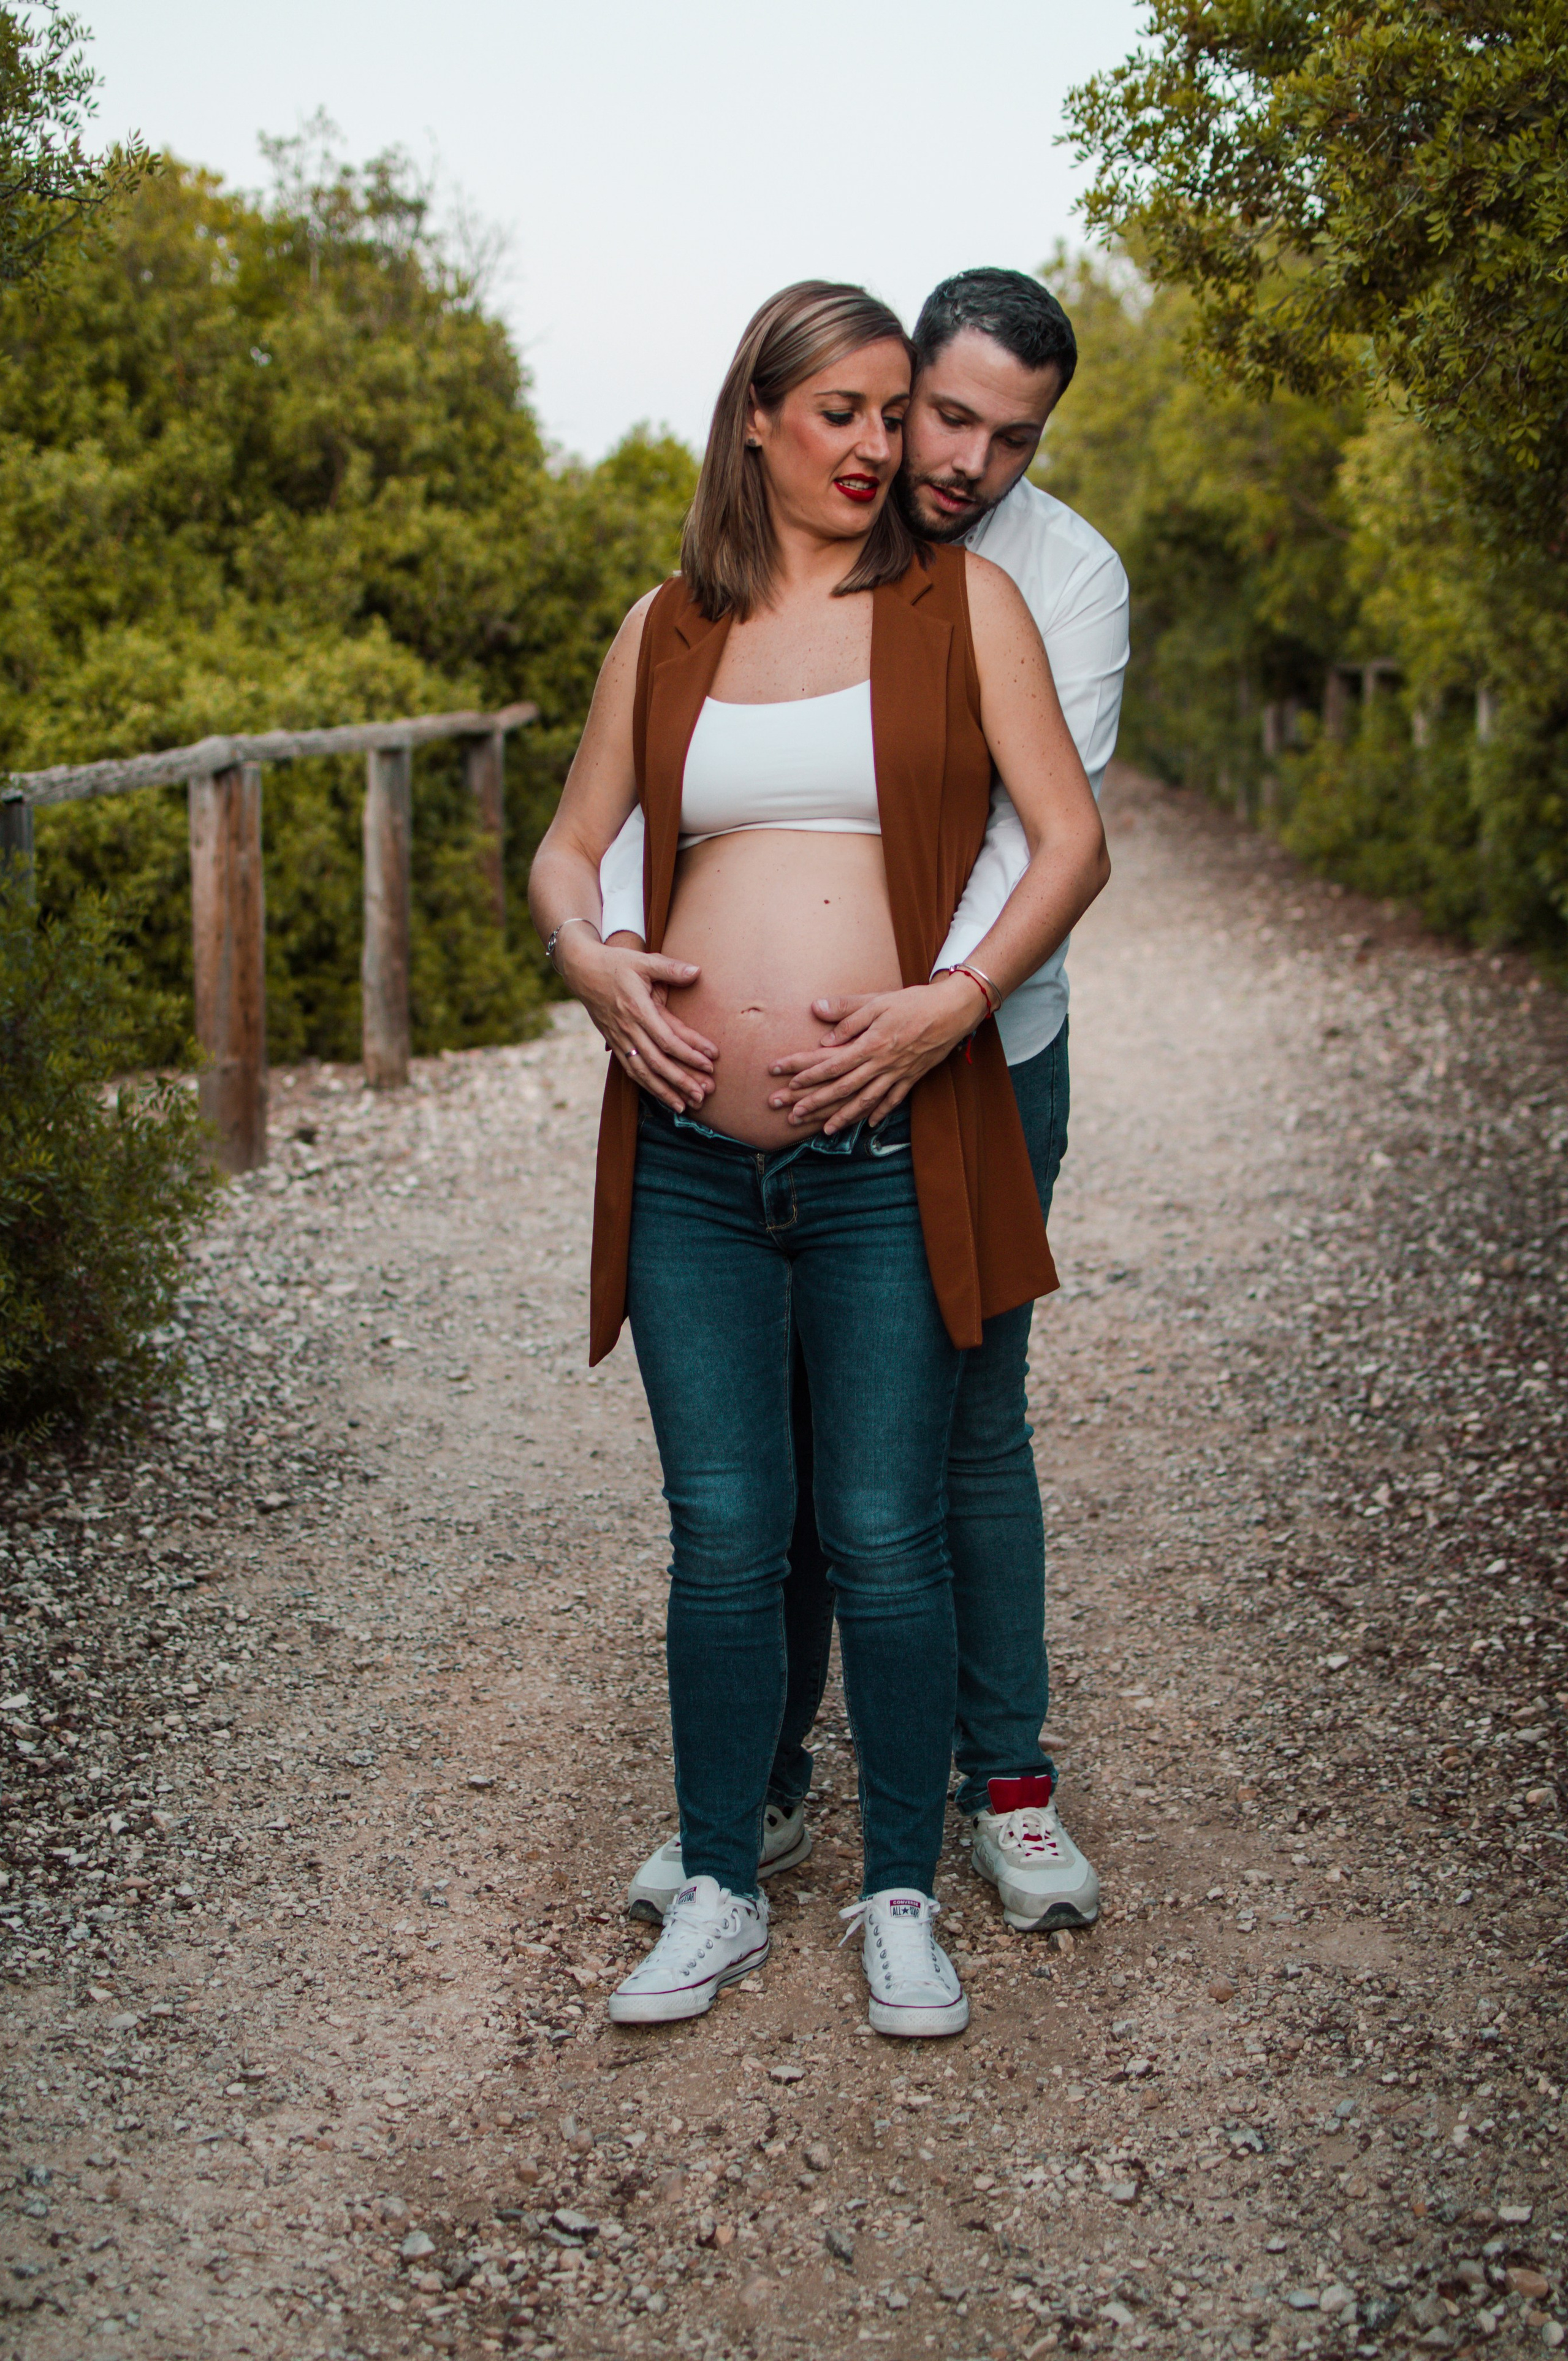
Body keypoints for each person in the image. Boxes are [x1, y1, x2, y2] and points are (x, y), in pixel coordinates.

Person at [528, 280, 1108, 2039]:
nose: (880, 446)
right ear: (760, 422)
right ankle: (718, 1883)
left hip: (888, 1143)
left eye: (892, 414)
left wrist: (953, 1005)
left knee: (884, 1528)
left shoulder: (972, 603)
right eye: (845, 412)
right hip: (699, 1159)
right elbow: (569, 853)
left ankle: (899, 1896)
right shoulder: (671, 624)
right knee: (721, 1531)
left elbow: (1072, 842)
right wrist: (595, 964)